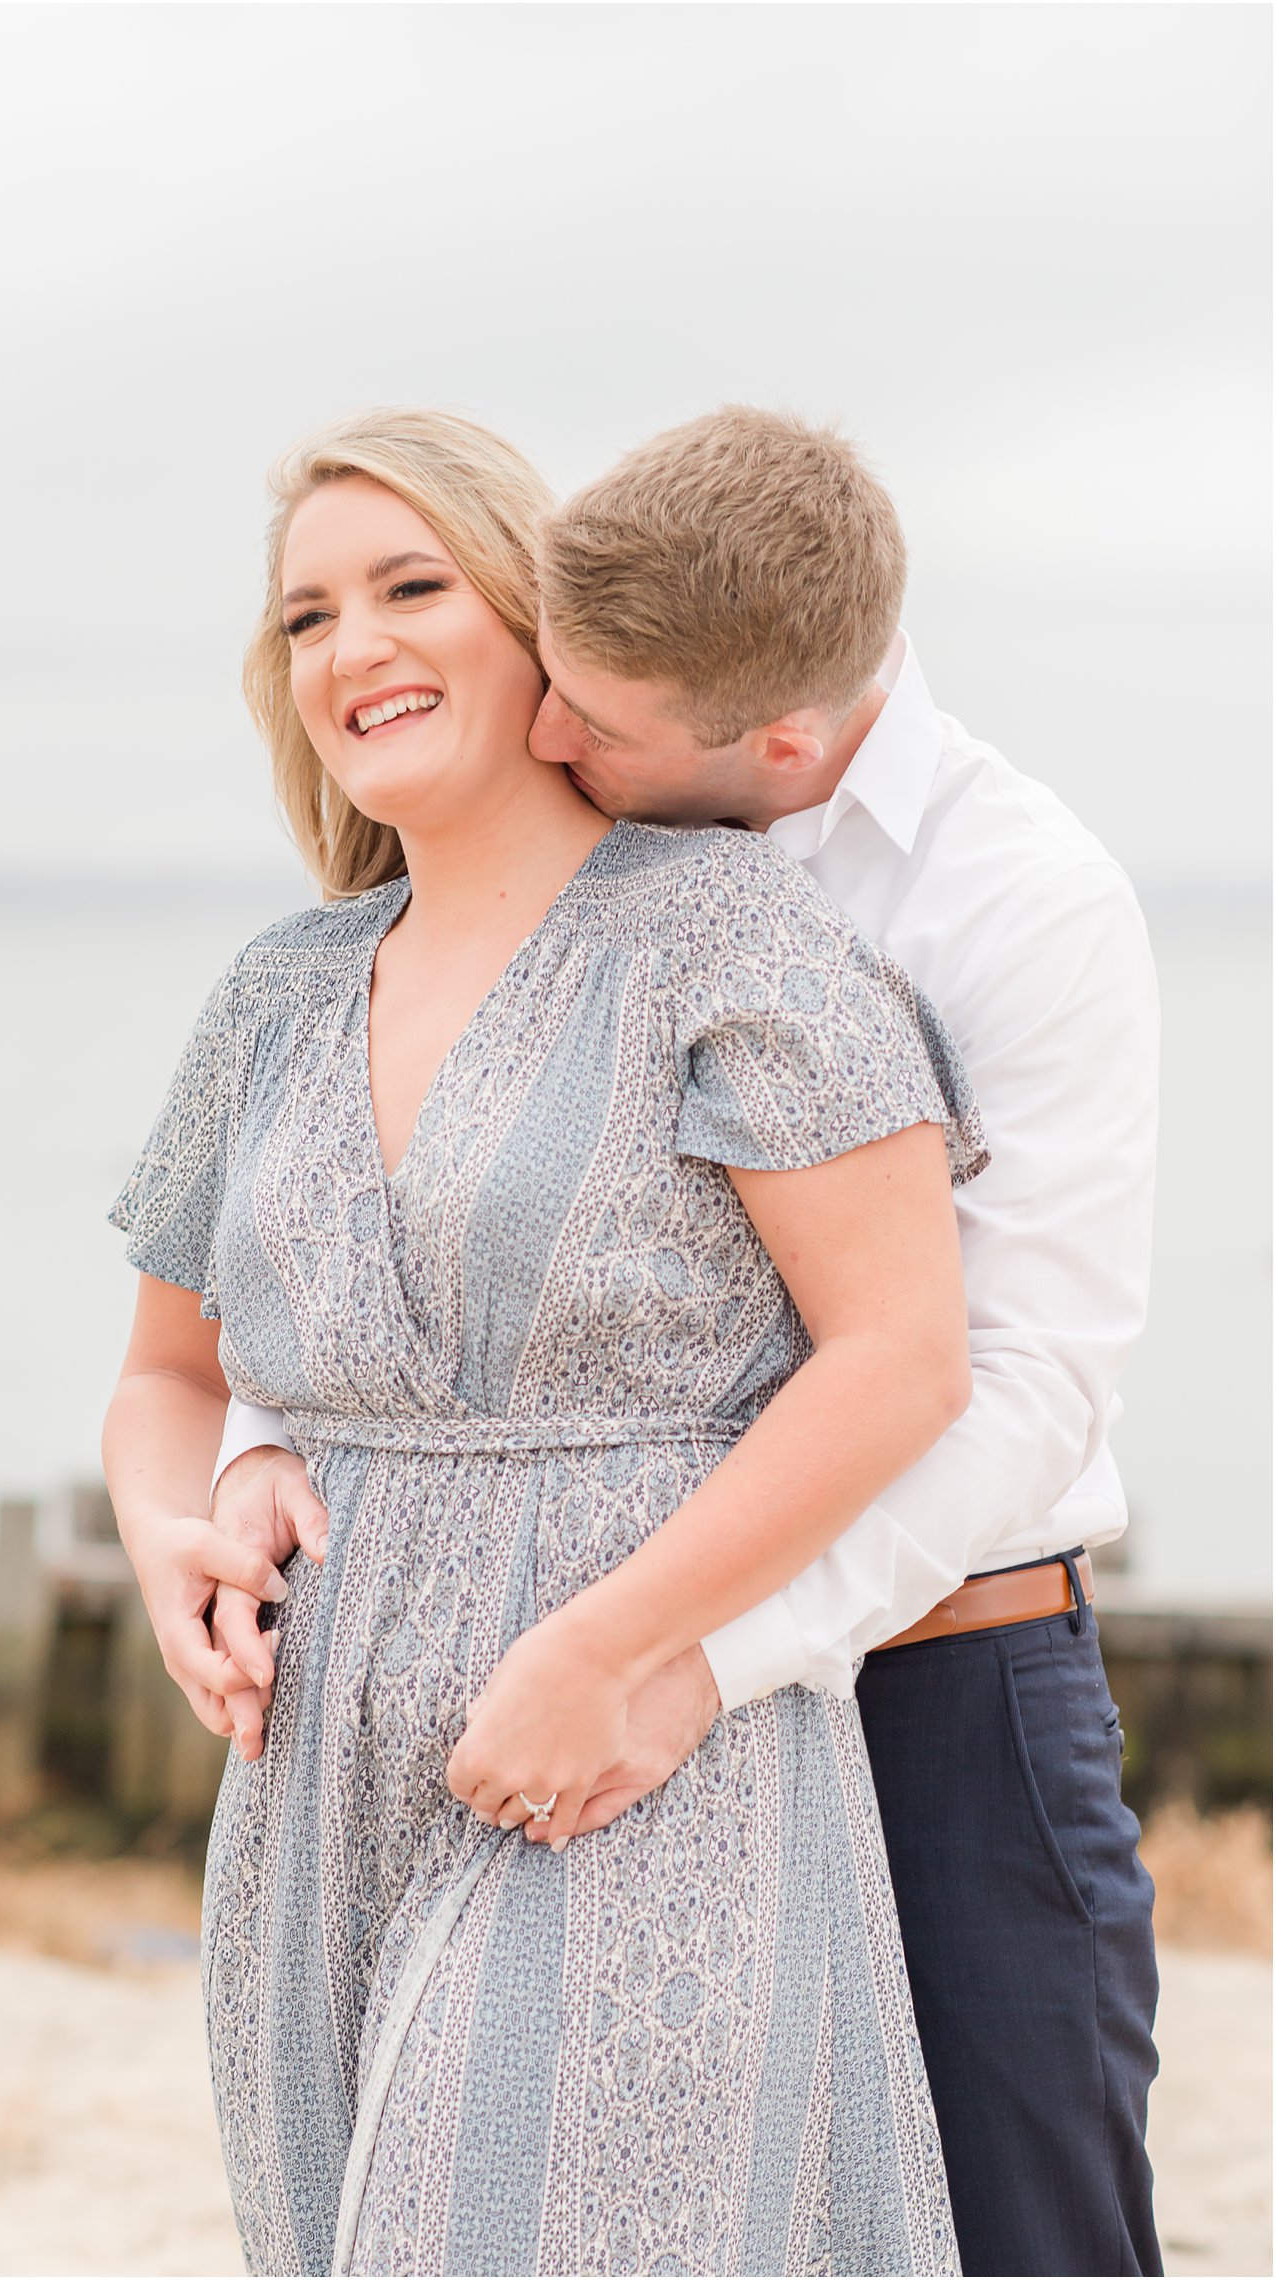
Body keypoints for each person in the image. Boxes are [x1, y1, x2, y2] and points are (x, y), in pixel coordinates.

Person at [202, 409, 1163, 2279]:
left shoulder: (1020, 901)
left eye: (592, 721)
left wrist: (702, 1660)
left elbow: (1012, 1380)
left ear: (781, 745)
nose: (550, 733)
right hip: (603, 1673)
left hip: (930, 1685)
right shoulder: (527, 861)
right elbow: (417, 1216)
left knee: (1022, 2230)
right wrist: (259, 1436)